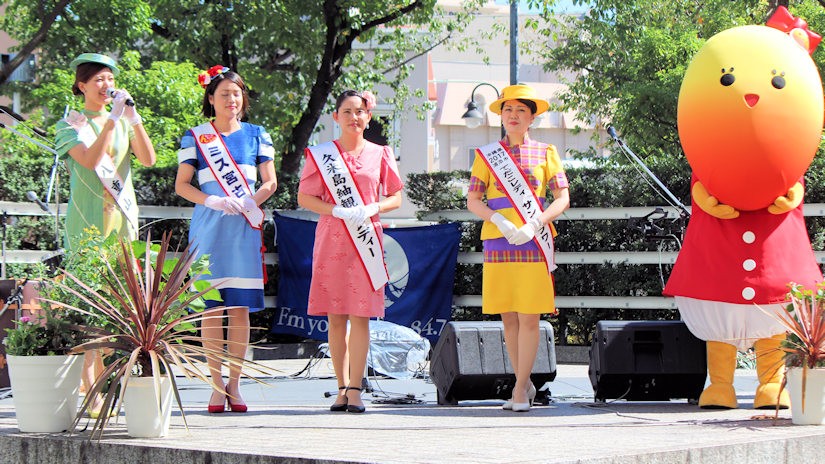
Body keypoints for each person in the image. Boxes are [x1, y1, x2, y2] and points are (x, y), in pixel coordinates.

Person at [54, 52, 156, 417]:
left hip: (122, 226)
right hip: (87, 227)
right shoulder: (70, 124)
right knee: (87, 307)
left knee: (119, 307)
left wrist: (132, 118)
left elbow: (148, 159)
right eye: (97, 79)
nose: (105, 85)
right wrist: (110, 122)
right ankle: (89, 386)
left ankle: (114, 383)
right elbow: (89, 159)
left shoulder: (123, 120)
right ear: (81, 85)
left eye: (109, 78)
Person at [174, 65, 277, 413]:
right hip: (209, 228)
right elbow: (182, 185)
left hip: (243, 228)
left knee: (240, 309)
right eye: (224, 94)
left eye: (236, 93)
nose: (232, 99)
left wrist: (251, 201)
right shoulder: (196, 136)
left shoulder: (257, 134)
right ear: (210, 99)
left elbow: (270, 182)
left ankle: (236, 384)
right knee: (210, 309)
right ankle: (215, 385)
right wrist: (214, 199)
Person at [297, 89, 403, 413]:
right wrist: (335, 211)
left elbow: (396, 197)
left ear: (369, 116)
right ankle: (340, 387)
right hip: (332, 238)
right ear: (336, 117)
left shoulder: (381, 153)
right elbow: (305, 198)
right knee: (336, 317)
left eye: (360, 111)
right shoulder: (322, 155)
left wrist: (373, 206)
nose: (354, 117)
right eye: (347, 111)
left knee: (361, 317)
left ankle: (356, 389)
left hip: (366, 241)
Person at [466, 84, 570, 412]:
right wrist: (499, 219)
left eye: (520, 111)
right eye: (508, 110)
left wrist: (535, 223)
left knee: (529, 316)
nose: (513, 116)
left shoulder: (546, 152)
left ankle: (521, 389)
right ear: (501, 116)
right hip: (500, 240)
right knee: (508, 317)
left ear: (532, 118)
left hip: (534, 241)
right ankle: (522, 382)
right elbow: (472, 199)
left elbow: (562, 198)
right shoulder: (487, 155)